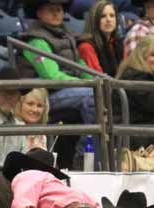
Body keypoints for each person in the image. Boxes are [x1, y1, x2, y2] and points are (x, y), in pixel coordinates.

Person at [18, 0, 98, 169]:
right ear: (39, 13)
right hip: (46, 95)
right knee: (91, 95)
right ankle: (84, 157)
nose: (56, 13)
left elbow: (81, 66)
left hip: (71, 91)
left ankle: (102, 153)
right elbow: (51, 76)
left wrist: (99, 80)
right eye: (51, 9)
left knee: (104, 92)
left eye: (59, 9)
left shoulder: (67, 35)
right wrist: (87, 85)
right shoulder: (35, 40)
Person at [116, 35, 154, 161]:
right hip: (132, 135)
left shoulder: (147, 77)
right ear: (141, 56)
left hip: (143, 131)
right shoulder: (135, 77)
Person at [78, 0, 122, 77]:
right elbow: (99, 79)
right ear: (94, 20)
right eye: (103, 16)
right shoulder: (86, 47)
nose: (108, 20)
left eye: (112, 15)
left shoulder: (118, 43)